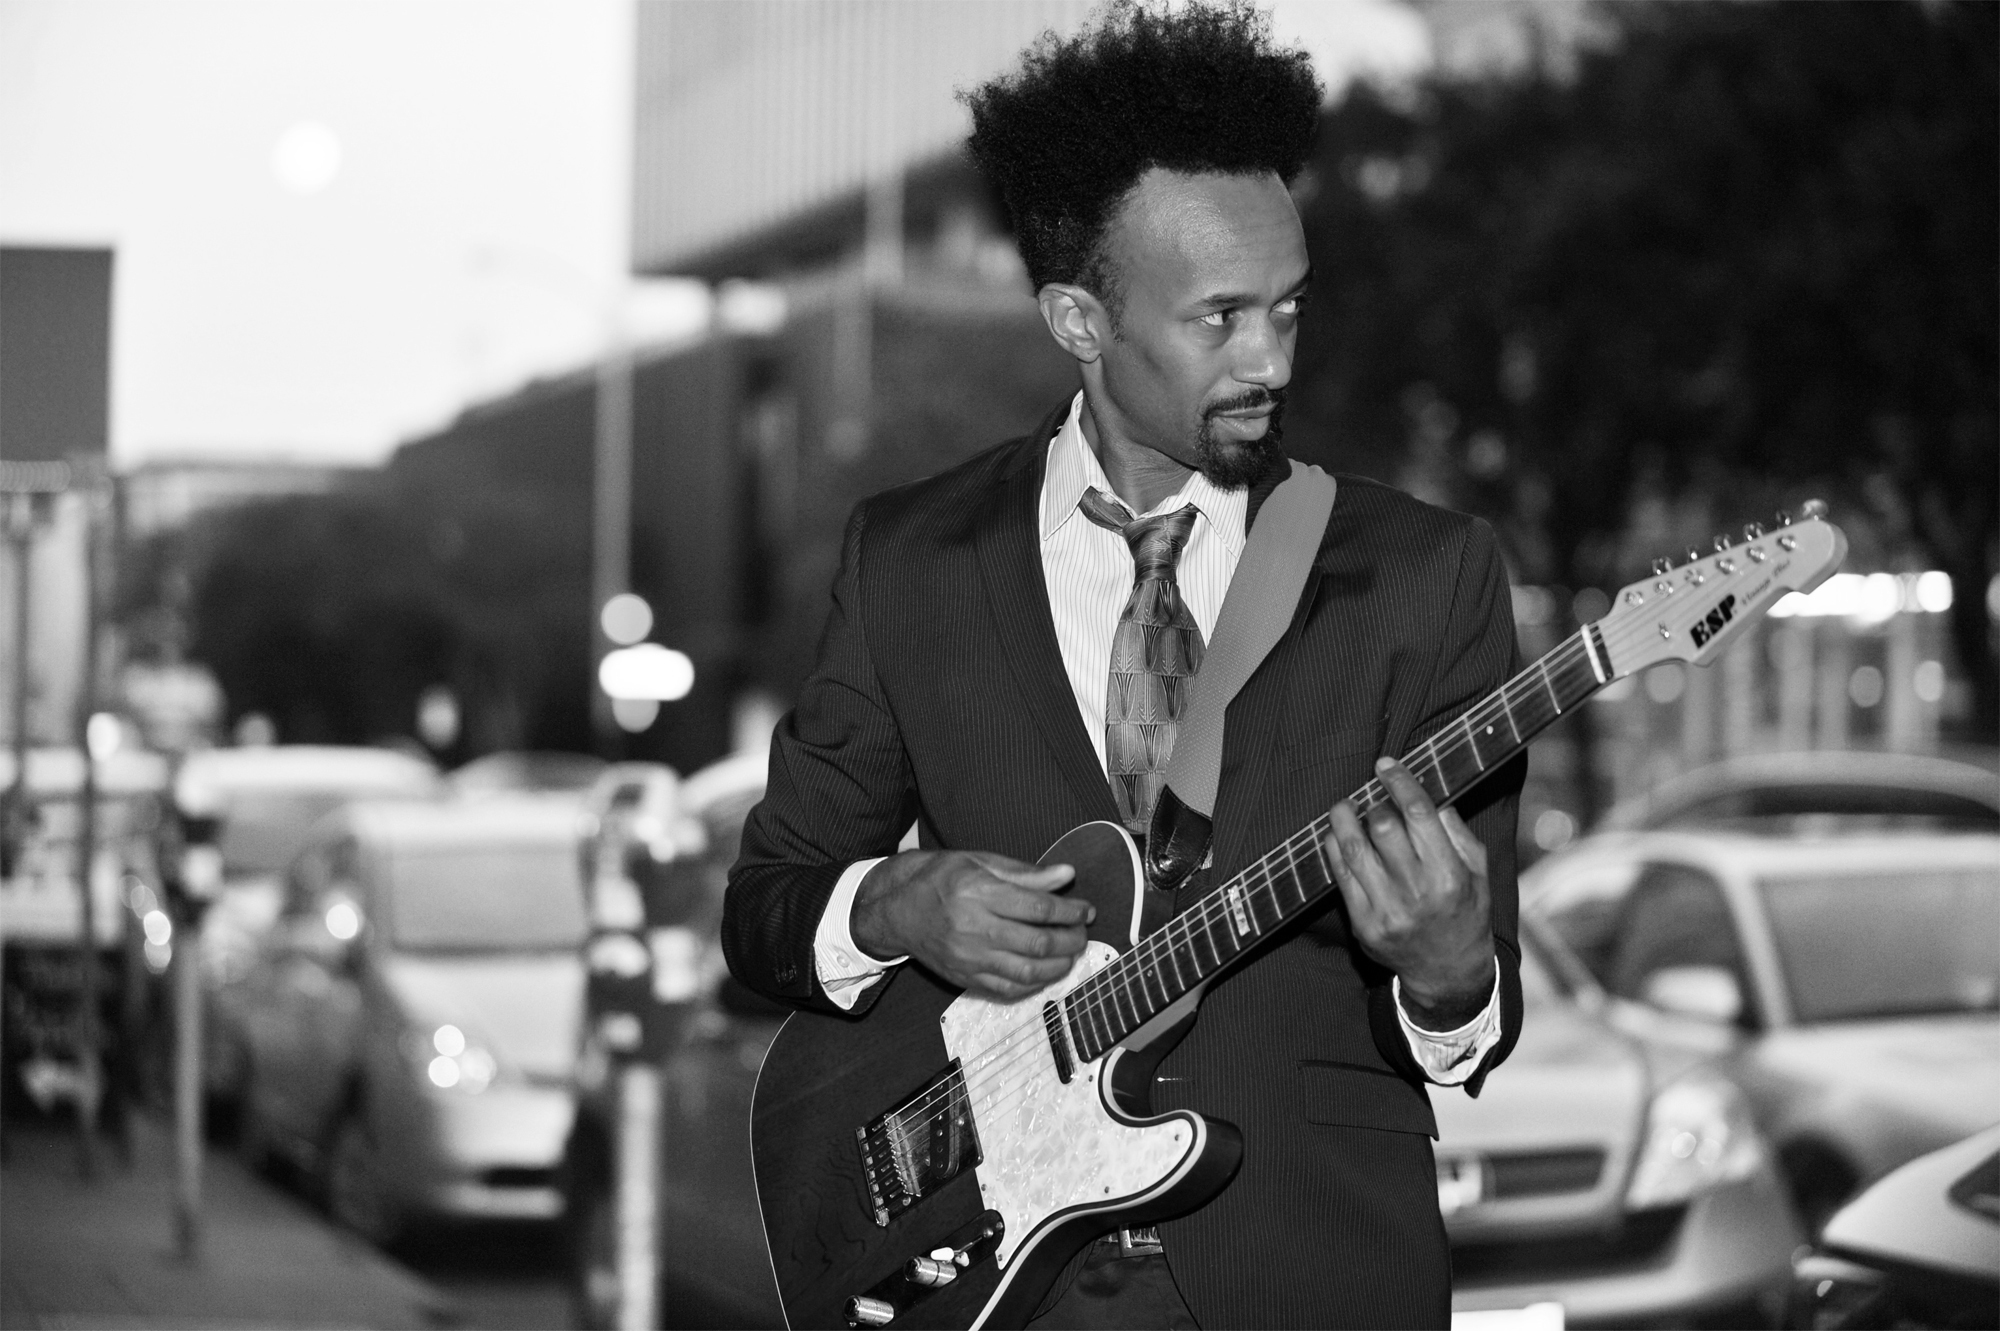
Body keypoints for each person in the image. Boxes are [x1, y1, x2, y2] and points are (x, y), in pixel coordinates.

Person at [723, 4, 1526, 1326]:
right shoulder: (911, 560)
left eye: (1288, 308)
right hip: (1000, 1287)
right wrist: (894, 904)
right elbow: (765, 909)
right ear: (1080, 320)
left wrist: (1448, 976)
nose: (1269, 358)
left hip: (1307, 1281)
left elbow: (1471, 1018)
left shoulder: (1423, 576)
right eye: (1219, 317)